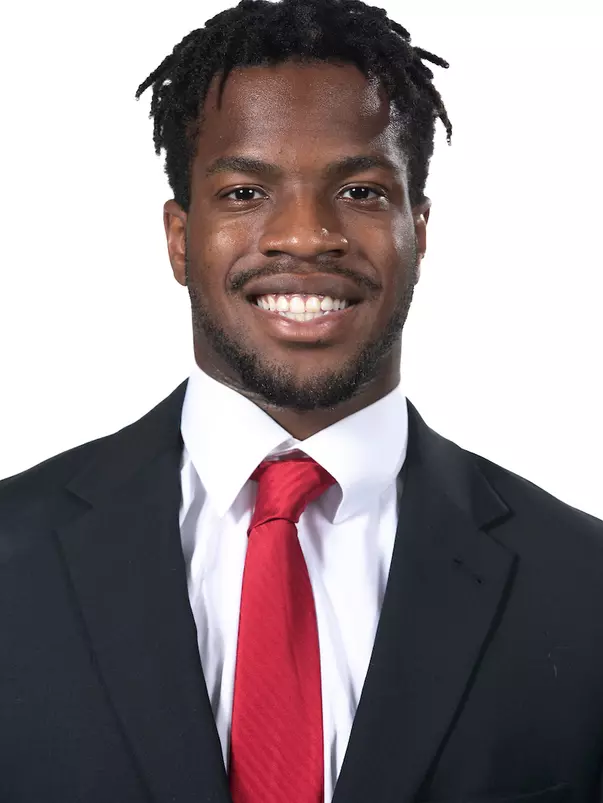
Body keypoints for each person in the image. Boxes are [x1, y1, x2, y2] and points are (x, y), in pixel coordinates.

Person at [1, 0, 602, 801]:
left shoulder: (582, 585)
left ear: (418, 230)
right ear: (179, 238)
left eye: (359, 190)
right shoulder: (12, 556)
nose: (306, 235)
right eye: (246, 191)